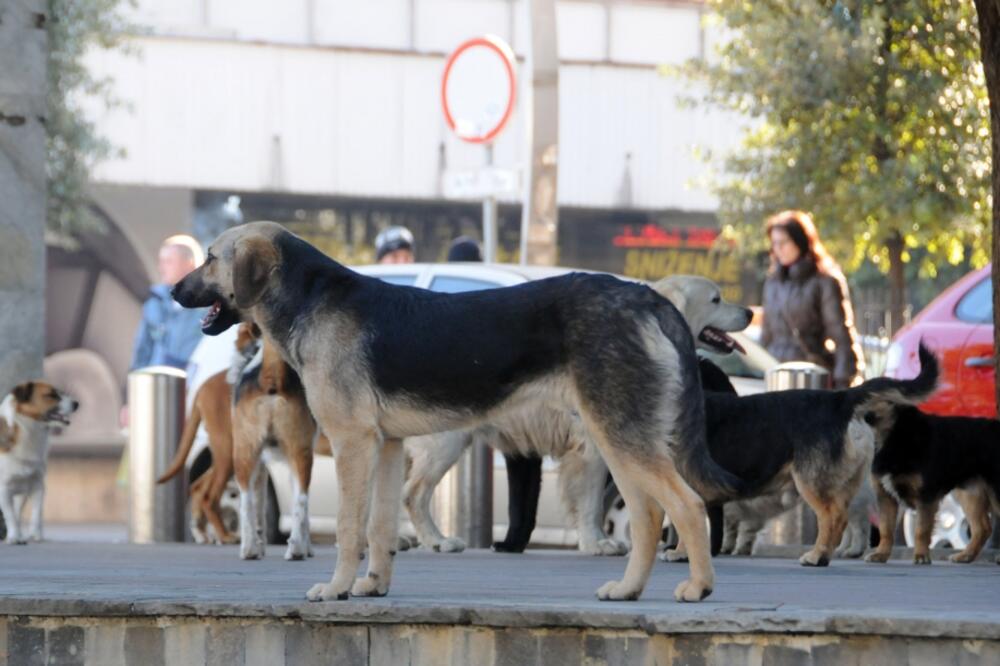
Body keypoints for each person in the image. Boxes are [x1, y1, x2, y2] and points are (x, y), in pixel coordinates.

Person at [760, 210, 864, 389]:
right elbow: (766, 335)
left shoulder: (825, 280)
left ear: (800, 241)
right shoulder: (772, 283)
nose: (778, 249)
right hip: (775, 374)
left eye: (784, 242)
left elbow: (841, 335)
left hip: (811, 376)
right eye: (774, 243)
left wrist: (843, 384)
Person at [129, 235, 208, 372]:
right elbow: (142, 352)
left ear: (189, 264)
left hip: (192, 389)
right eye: (161, 261)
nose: (161, 268)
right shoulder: (154, 303)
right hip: (156, 385)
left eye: (168, 261)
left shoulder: (212, 306)